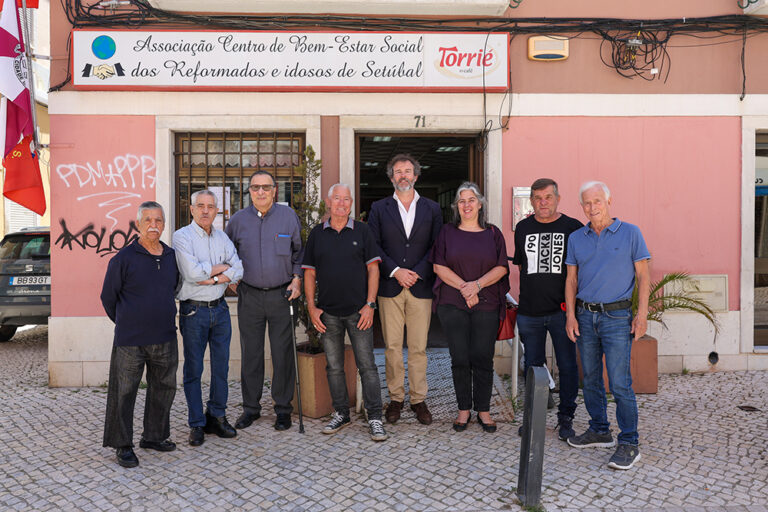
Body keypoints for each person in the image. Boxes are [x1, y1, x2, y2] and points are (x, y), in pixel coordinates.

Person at [565, 181, 650, 471]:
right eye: (587, 203)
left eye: (597, 201)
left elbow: (643, 276)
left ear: (609, 201)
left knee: (619, 382)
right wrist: (571, 316)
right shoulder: (576, 238)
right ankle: (600, 430)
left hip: (617, 318)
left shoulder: (631, 233)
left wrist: (642, 314)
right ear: (582, 206)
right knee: (590, 378)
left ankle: (629, 442)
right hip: (585, 316)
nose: (592, 207)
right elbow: (571, 280)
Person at [302, 183, 387, 441]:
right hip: (328, 313)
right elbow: (309, 273)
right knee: (334, 367)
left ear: (351, 204)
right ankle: (341, 413)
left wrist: (370, 305)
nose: (341, 203)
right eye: (337, 198)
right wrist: (311, 307)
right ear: (328, 202)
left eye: (346, 199)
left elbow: (373, 269)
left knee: (367, 366)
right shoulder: (317, 234)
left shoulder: (363, 231)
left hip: (359, 313)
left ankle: (375, 417)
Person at [100, 201, 179, 468]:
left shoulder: (171, 256)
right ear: (138, 224)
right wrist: (127, 321)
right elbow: (108, 298)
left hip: (165, 337)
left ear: (164, 224)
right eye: (148, 220)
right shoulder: (123, 259)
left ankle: (154, 436)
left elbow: (173, 288)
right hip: (130, 341)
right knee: (123, 392)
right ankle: (122, 445)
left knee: (164, 389)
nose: (153, 225)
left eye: (158, 220)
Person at [367, 154, 443, 425]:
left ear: (416, 176)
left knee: (419, 348)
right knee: (392, 347)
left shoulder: (432, 208)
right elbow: (373, 244)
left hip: (420, 286)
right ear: (391, 178)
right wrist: (396, 271)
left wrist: (417, 272)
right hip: (390, 286)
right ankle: (396, 399)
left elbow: (437, 245)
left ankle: (418, 400)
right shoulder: (379, 208)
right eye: (398, 171)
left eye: (408, 171)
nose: (403, 176)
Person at [225, 171, 303, 432]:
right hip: (250, 296)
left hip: (282, 295)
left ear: (274, 190)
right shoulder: (238, 220)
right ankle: (250, 408)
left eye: (265, 187)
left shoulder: (288, 217)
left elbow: (299, 252)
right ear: (249, 191)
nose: (260, 192)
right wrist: (231, 279)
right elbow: (227, 253)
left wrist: (297, 279)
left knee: (282, 354)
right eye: (255, 187)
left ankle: (283, 409)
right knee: (251, 353)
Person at [430, 182, 510, 433]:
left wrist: (476, 286)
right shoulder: (447, 232)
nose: (466, 205)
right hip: (452, 303)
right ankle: (463, 409)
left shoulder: (493, 233)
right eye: (462, 201)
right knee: (460, 357)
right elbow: (438, 266)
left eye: (471, 200)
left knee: (482, 356)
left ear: (480, 204)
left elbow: (501, 267)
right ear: (456, 206)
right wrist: (466, 289)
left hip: (486, 303)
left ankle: (483, 410)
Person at [513, 178, 583, 441]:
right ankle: (534, 419)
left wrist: (573, 311)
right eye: (538, 198)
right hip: (529, 312)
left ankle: (566, 419)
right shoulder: (523, 228)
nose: (543, 203)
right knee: (533, 367)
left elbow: (579, 271)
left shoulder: (573, 228)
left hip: (562, 313)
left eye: (548, 197)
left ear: (558, 199)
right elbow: (522, 266)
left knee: (567, 366)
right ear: (531, 201)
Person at [174, 190, 244, 447]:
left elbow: (239, 268)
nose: (205, 210)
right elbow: (192, 273)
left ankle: (216, 415)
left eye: (211, 206)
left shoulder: (223, 237)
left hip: (220, 309)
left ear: (216, 211)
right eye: (200, 206)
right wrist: (223, 269)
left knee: (221, 367)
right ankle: (196, 423)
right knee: (194, 369)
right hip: (194, 311)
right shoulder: (181, 237)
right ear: (192, 209)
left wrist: (212, 279)